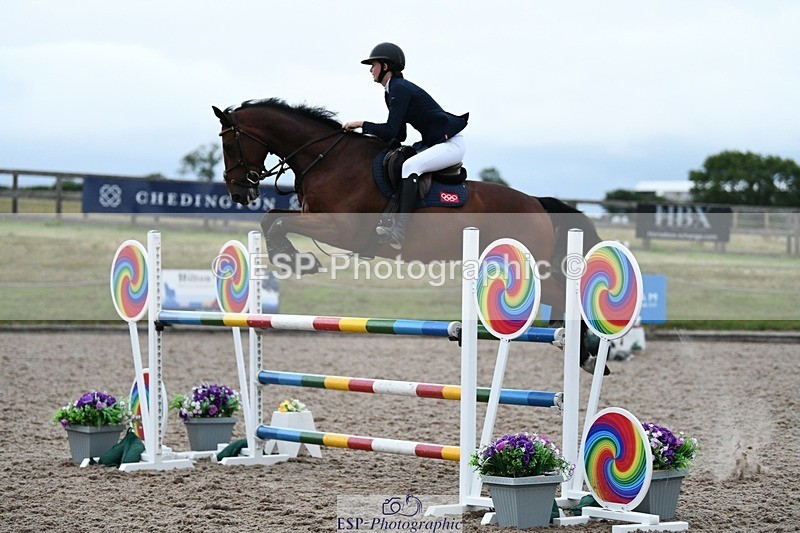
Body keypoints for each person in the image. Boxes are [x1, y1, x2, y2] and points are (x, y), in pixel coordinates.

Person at [343, 42, 468, 250]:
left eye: (373, 65)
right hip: (435, 143)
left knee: (410, 166)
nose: (370, 70)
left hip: (451, 143)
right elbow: (399, 134)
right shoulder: (392, 90)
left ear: (385, 66)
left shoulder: (399, 88)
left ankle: (400, 229)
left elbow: (391, 130)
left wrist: (361, 124)